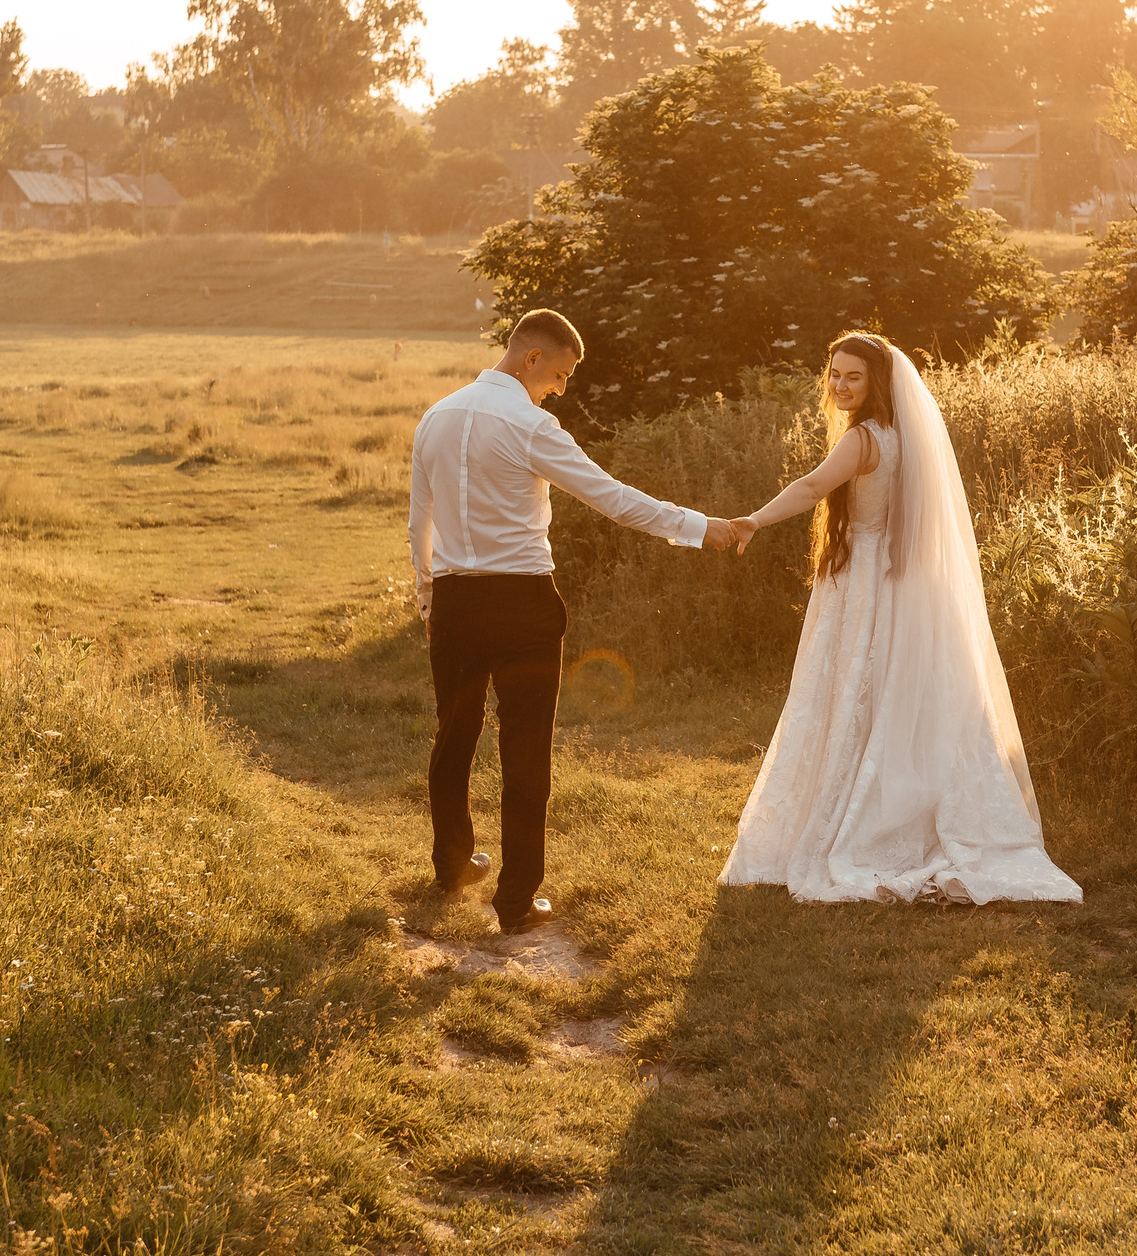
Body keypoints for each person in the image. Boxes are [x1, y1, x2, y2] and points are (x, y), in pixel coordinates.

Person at [408, 309, 746, 932]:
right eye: (560, 373)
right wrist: (701, 527)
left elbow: (418, 523)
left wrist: (431, 601)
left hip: (454, 603)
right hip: (521, 604)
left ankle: (453, 865)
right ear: (530, 357)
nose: (560, 388)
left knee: (453, 734)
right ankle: (515, 900)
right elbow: (613, 499)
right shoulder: (530, 424)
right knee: (526, 747)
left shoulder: (435, 417)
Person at [719, 332, 1082, 905]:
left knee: (852, 693)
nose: (839, 384)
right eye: (834, 373)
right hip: (896, 577)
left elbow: (814, 486)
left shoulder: (865, 439)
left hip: (864, 577)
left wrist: (752, 521)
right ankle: (900, 810)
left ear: (878, 383)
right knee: (885, 695)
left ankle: (854, 825)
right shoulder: (900, 436)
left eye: (853, 376)